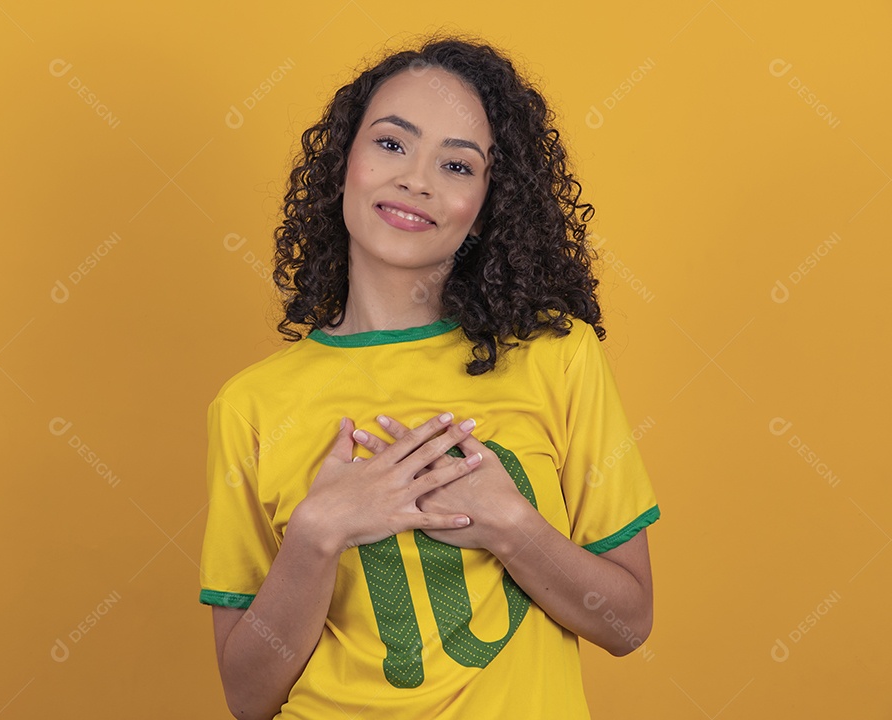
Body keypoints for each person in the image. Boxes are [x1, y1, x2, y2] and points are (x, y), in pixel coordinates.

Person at [199, 33, 661, 720]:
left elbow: (627, 623)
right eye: (391, 144)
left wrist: (511, 525)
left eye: (457, 164)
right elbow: (247, 696)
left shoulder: (556, 356)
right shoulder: (251, 404)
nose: (416, 180)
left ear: (486, 205)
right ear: (343, 164)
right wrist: (317, 535)